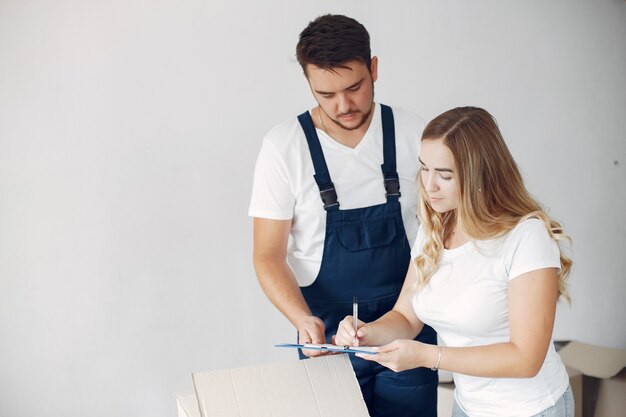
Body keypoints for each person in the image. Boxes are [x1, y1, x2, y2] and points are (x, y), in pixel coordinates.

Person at [249, 13, 438, 417]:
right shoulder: (284, 147)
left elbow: (443, 230)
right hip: (328, 337)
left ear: (373, 68)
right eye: (326, 94)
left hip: (408, 327)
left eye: (354, 88)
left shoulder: (413, 134)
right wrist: (303, 319)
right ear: (309, 83)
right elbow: (267, 254)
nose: (344, 105)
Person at [335, 106, 575, 417]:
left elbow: (525, 358)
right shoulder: (435, 227)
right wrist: (366, 332)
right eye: (424, 168)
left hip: (530, 409)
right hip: (468, 407)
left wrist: (428, 356)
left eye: (445, 174)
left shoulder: (526, 238)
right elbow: (406, 318)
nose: (429, 185)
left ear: (479, 174)